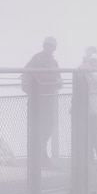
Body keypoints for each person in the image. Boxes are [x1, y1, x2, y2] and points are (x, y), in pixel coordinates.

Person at [22, 36, 60, 167]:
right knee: (38, 128)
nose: (49, 48)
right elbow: (28, 75)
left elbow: (58, 79)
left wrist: (58, 83)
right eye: (47, 45)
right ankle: (39, 159)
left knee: (48, 128)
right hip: (37, 99)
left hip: (48, 99)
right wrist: (31, 91)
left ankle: (40, 158)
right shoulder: (37, 59)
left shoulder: (54, 62)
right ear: (44, 46)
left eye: (51, 46)